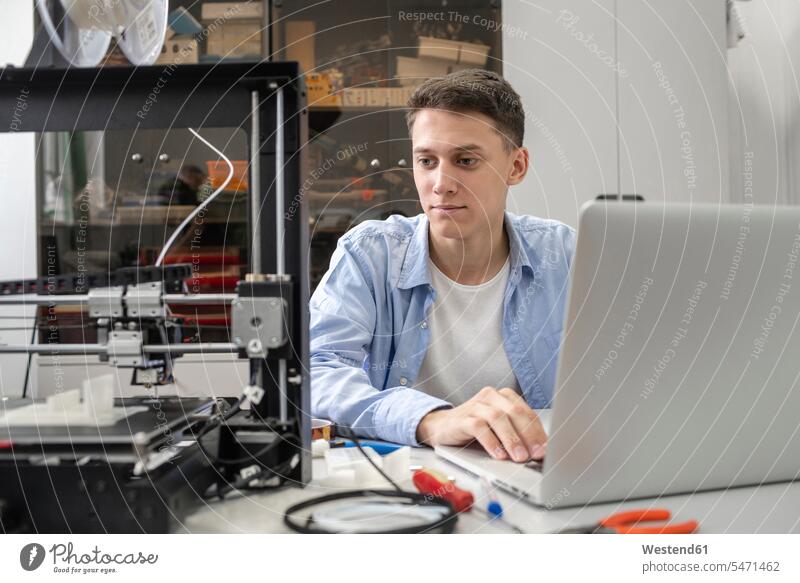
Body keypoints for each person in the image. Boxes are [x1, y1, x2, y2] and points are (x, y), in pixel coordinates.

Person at [310, 69, 575, 463]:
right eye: (426, 160)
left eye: (466, 160)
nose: (441, 183)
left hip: (528, 465)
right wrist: (431, 421)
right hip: (402, 470)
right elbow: (315, 371)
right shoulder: (370, 254)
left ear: (515, 167)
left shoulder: (564, 254)